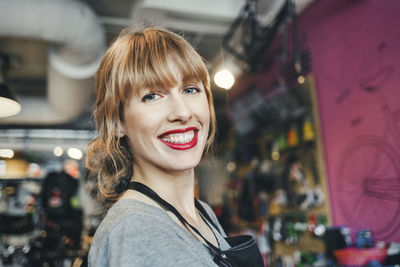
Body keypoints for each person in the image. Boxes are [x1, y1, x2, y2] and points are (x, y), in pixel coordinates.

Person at [86, 27, 263, 267]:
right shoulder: (138, 231)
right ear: (117, 122)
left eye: (190, 89)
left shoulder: (202, 213)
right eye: (152, 96)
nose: (182, 112)